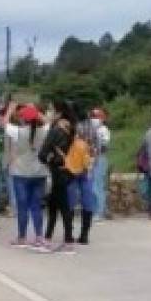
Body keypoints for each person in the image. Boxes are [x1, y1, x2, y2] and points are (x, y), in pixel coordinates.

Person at [3, 103, 49, 250]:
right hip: (39, 172)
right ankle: (39, 237)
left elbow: (4, 124)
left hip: (20, 172)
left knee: (22, 206)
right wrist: (35, 110)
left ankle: (22, 237)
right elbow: (49, 122)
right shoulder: (45, 131)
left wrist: (10, 109)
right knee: (36, 206)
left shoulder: (18, 131)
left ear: (23, 119)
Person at [39, 100, 78, 253]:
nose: (49, 113)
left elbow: (43, 153)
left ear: (59, 112)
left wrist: (47, 159)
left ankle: (68, 241)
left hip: (57, 169)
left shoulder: (55, 129)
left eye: (51, 110)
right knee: (54, 204)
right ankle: (48, 239)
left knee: (62, 206)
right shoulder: (71, 127)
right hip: (68, 170)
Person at [65, 116, 96, 244]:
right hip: (86, 171)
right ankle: (84, 235)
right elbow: (96, 151)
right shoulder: (93, 127)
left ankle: (69, 234)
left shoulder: (69, 129)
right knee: (87, 201)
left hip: (72, 171)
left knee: (70, 202)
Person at [89, 108, 112, 221]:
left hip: (100, 158)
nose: (94, 118)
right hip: (91, 159)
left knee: (97, 186)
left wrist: (94, 145)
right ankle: (97, 210)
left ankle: (99, 212)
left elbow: (104, 145)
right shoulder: (90, 129)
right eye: (93, 116)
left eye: (97, 116)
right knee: (92, 186)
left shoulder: (103, 130)